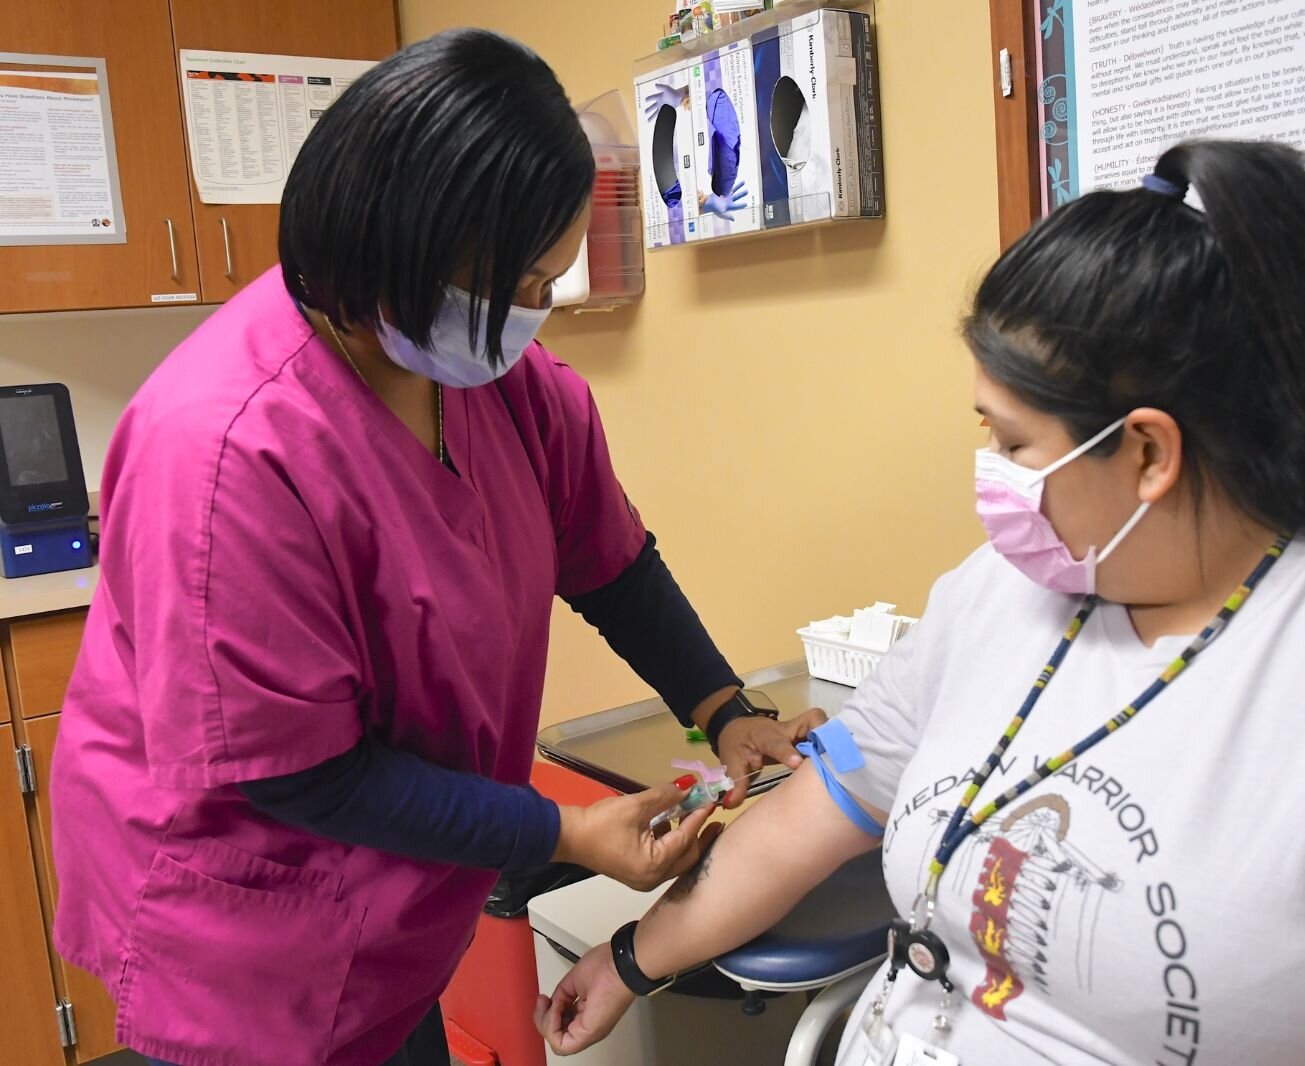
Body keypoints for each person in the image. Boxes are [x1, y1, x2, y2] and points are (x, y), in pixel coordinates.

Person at [536, 141, 1305, 1065]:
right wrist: (627, 962)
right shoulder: (996, 595)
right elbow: (830, 789)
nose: (991, 479)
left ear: (1147, 452)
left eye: (1015, 444)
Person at [49, 29, 821, 1066]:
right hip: (244, 921)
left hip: (394, 897)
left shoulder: (512, 391)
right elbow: (301, 778)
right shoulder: (227, 449)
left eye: (548, 281)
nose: (535, 315)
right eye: (516, 285)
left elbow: (611, 563)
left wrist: (723, 708)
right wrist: (563, 834)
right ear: (395, 248)